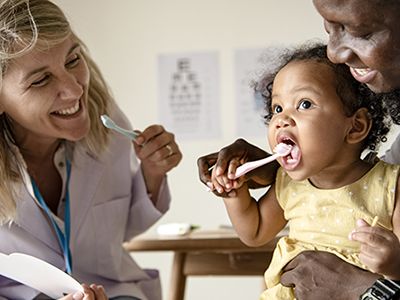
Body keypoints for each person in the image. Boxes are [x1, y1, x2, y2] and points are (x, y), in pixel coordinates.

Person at [197, 0, 400, 299]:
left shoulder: (391, 186)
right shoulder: (289, 184)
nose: (281, 119)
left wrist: (392, 266)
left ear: (355, 127)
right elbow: (254, 232)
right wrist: (235, 194)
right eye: (277, 108)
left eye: (304, 104)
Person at [0, 0, 182, 299]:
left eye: (72, 60)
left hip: (114, 292)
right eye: (41, 79)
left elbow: (119, 231)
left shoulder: (108, 124)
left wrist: (153, 173)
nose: (74, 90)